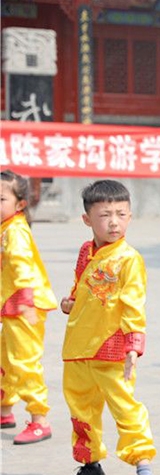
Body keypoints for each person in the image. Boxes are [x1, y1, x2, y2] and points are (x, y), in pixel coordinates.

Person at [59, 180, 160, 475]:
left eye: (121, 213)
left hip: (113, 349)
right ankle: (90, 464)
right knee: (81, 410)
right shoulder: (85, 251)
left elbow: (134, 302)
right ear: (87, 219)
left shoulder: (129, 259)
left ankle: (145, 474)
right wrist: (70, 302)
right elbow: (81, 286)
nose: (114, 221)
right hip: (77, 347)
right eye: (105, 214)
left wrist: (134, 343)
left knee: (126, 410)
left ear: (130, 216)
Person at [0, 170, 57, 444]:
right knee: (6, 359)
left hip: (24, 306)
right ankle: (5, 409)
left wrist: (25, 304)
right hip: (14, 305)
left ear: (20, 204)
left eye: (1, 199)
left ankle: (39, 419)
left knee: (24, 362)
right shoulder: (7, 228)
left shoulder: (15, 232)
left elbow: (22, 268)